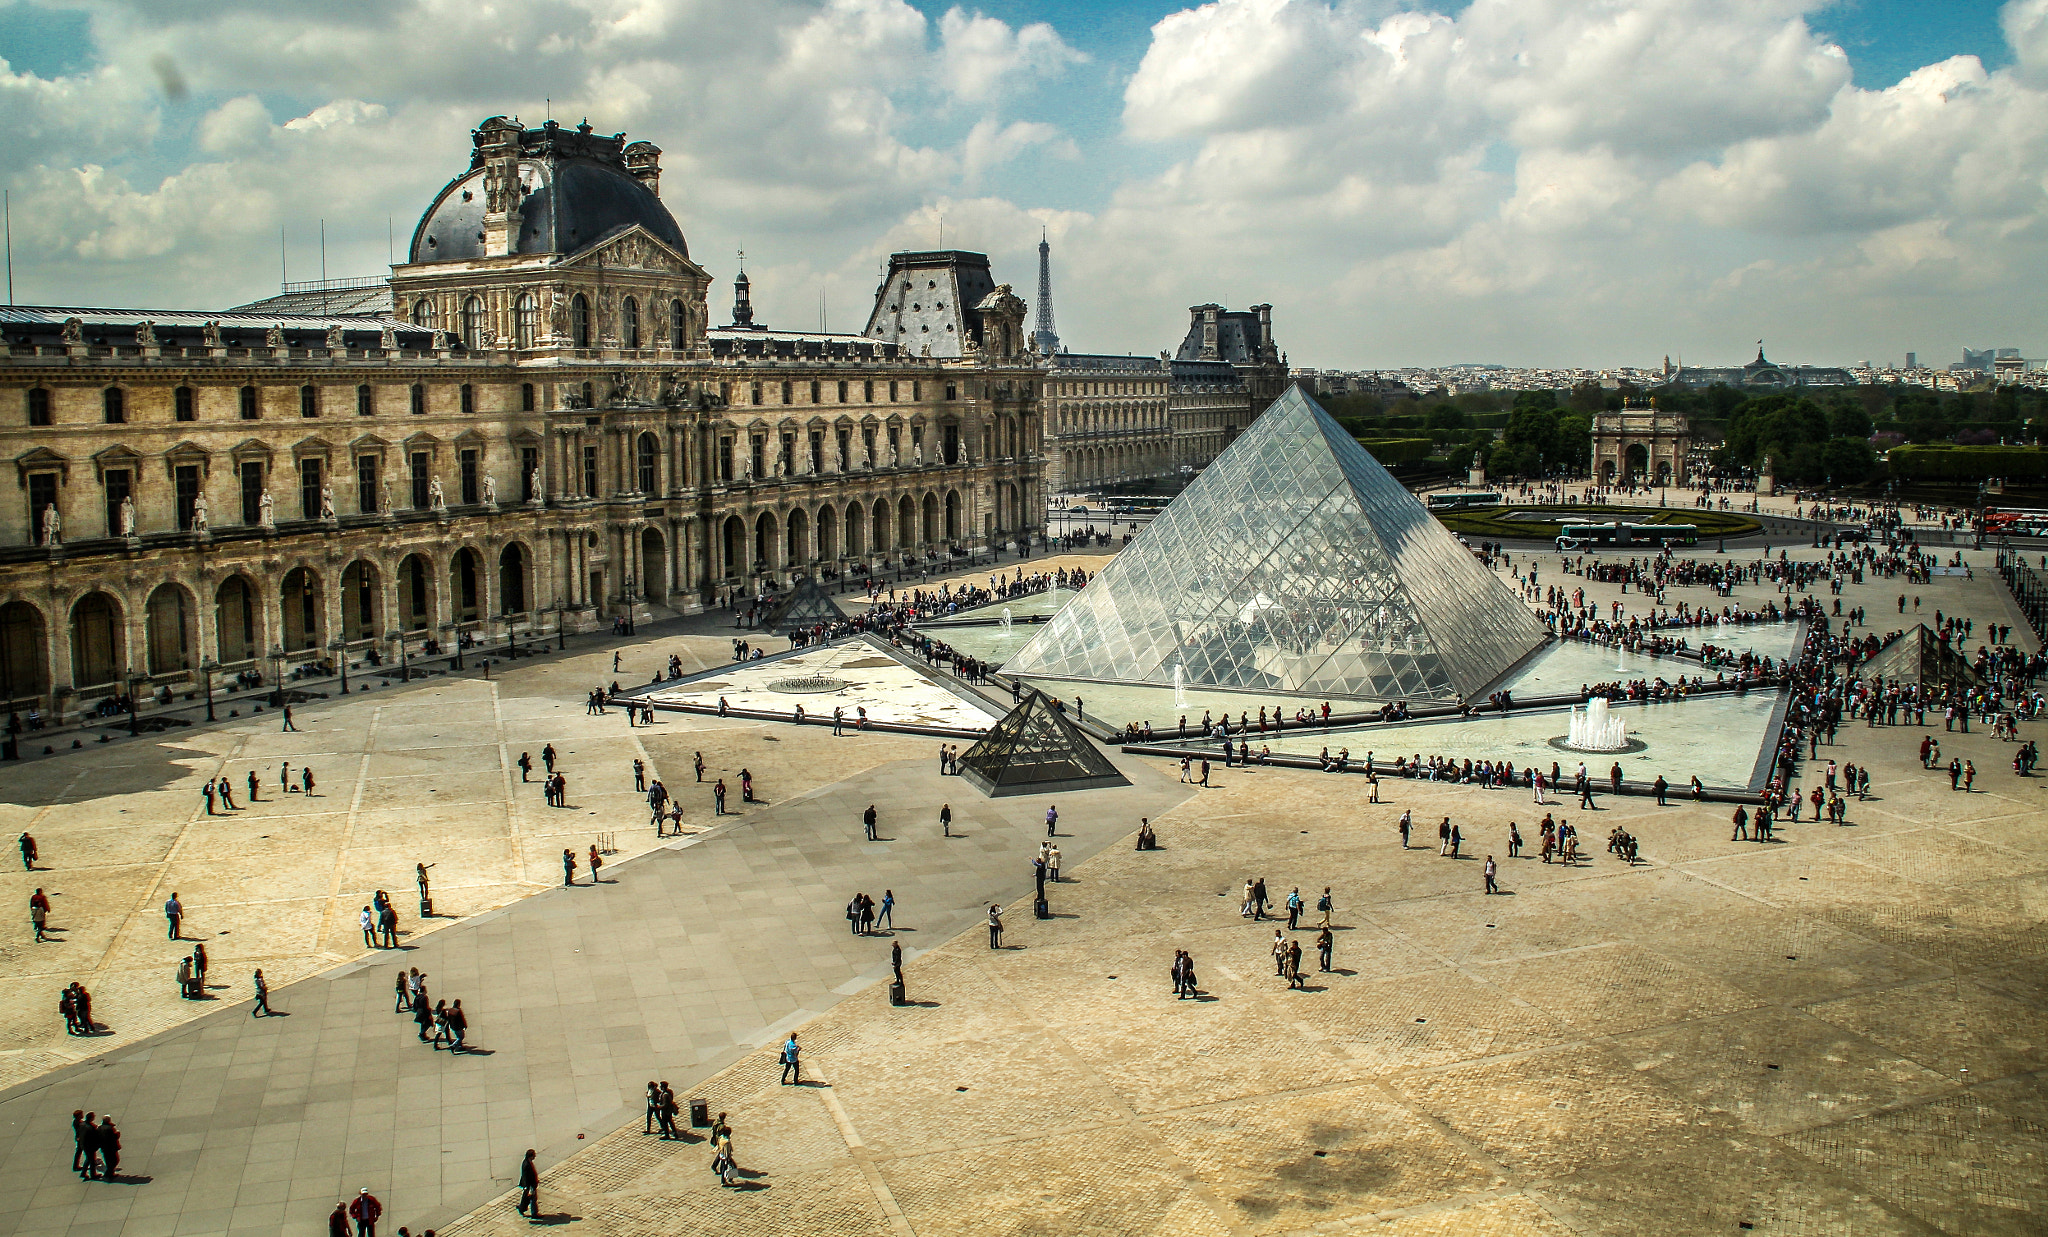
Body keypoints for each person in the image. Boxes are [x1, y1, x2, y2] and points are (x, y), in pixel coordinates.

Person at [515, 1149, 540, 1217]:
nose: (535, 1157)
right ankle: (534, 1213)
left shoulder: (529, 1162)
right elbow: (525, 1177)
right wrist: (527, 1187)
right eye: (534, 1155)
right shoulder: (526, 1165)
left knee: (527, 1198)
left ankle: (521, 1207)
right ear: (530, 1156)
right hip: (529, 1185)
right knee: (533, 1198)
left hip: (531, 1184)